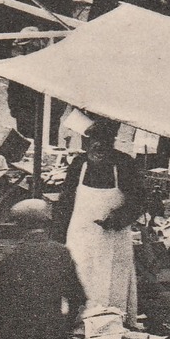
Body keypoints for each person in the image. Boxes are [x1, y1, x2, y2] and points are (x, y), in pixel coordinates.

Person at [51, 122, 148, 325]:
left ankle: (111, 326)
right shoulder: (79, 164)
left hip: (113, 239)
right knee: (80, 279)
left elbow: (139, 201)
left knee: (111, 284)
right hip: (80, 237)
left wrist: (118, 218)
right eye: (94, 142)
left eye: (104, 143)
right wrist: (58, 238)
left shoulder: (124, 164)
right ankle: (77, 325)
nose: (99, 148)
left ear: (112, 143)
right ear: (87, 143)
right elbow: (65, 203)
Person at [0, 199, 86, 339]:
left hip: (16, 338)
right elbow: (77, 297)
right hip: (51, 337)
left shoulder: (12, 256)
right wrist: (64, 326)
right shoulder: (61, 252)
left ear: (19, 226)